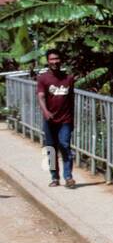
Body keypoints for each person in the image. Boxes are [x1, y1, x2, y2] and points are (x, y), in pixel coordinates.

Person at [36, 48, 76, 188]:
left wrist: (72, 120)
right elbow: (40, 96)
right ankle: (55, 177)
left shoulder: (68, 78)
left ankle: (68, 177)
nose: (55, 62)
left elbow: (71, 99)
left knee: (65, 145)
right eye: (52, 59)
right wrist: (45, 111)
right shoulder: (43, 78)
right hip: (50, 120)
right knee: (51, 149)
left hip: (65, 119)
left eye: (57, 59)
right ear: (48, 61)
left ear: (61, 60)